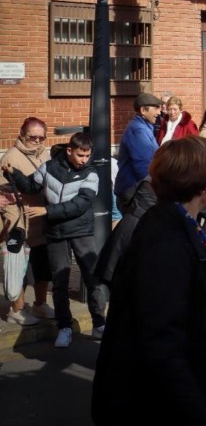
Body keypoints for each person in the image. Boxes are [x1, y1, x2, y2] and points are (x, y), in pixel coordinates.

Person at [92, 136, 206, 426]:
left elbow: (187, 287)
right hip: (172, 404)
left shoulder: (179, 224)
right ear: (204, 187)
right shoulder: (166, 238)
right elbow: (162, 339)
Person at [4, 132, 106, 348]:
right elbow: (31, 186)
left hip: (81, 230)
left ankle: (99, 323)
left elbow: (80, 204)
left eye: (87, 155)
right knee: (59, 281)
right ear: (69, 151)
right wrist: (14, 173)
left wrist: (47, 211)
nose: (84, 160)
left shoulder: (91, 173)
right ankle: (64, 327)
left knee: (92, 277)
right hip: (55, 232)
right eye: (80, 155)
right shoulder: (49, 167)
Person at [0, 117, 53, 325]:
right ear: (22, 134)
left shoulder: (45, 154)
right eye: (33, 137)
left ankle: (40, 304)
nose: (37, 141)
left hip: (41, 219)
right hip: (20, 220)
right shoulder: (11, 157)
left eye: (41, 137)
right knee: (19, 266)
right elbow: (3, 194)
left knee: (42, 266)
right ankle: (17, 309)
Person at [115, 92, 163, 200]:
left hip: (139, 188)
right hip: (136, 190)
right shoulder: (138, 130)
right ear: (143, 110)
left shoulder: (144, 128)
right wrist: (156, 188)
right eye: (155, 108)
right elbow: (143, 166)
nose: (159, 112)